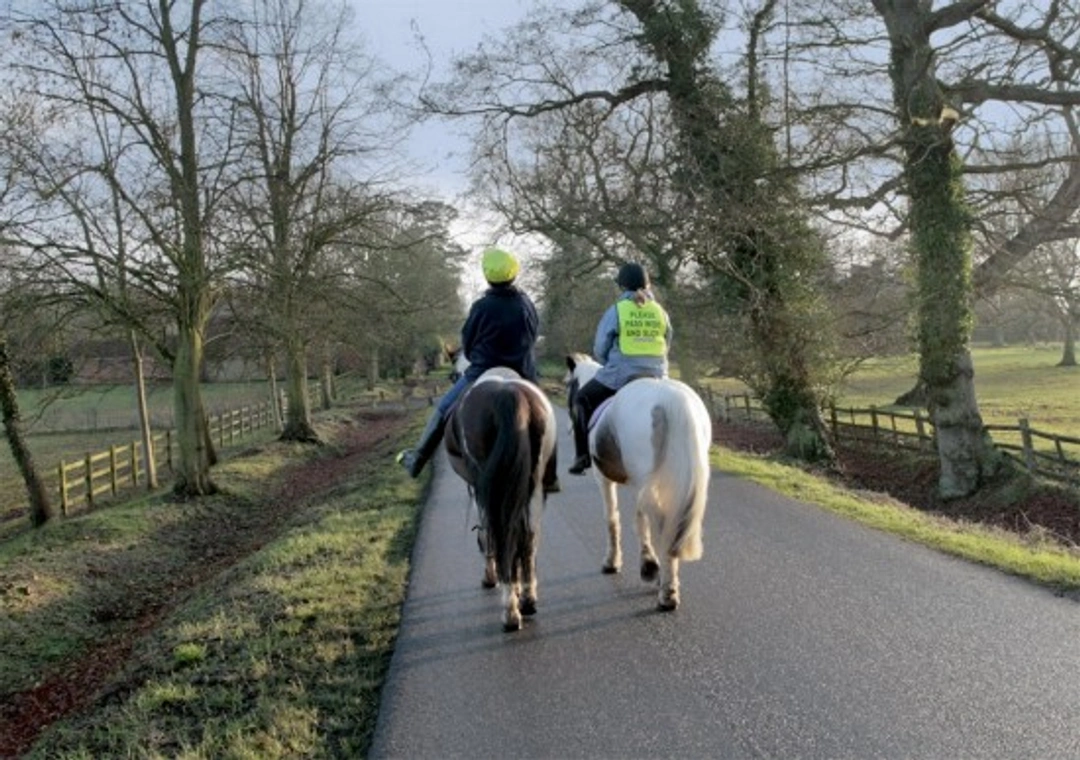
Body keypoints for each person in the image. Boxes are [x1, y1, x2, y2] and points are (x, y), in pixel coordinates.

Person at [398, 247, 560, 491]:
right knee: (545, 416)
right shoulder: (527, 303)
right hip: (523, 370)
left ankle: (417, 460)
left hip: (483, 369)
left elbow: (469, 341)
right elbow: (533, 334)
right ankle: (549, 475)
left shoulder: (481, 306)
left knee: (443, 409)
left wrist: (476, 357)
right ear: (514, 273)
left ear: (487, 276)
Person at [568, 262, 672, 475]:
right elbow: (667, 340)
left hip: (621, 375)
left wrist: (609, 363)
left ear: (622, 287)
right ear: (648, 284)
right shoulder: (660, 311)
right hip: (658, 376)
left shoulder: (616, 310)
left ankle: (582, 457)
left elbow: (600, 348)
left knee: (581, 400)